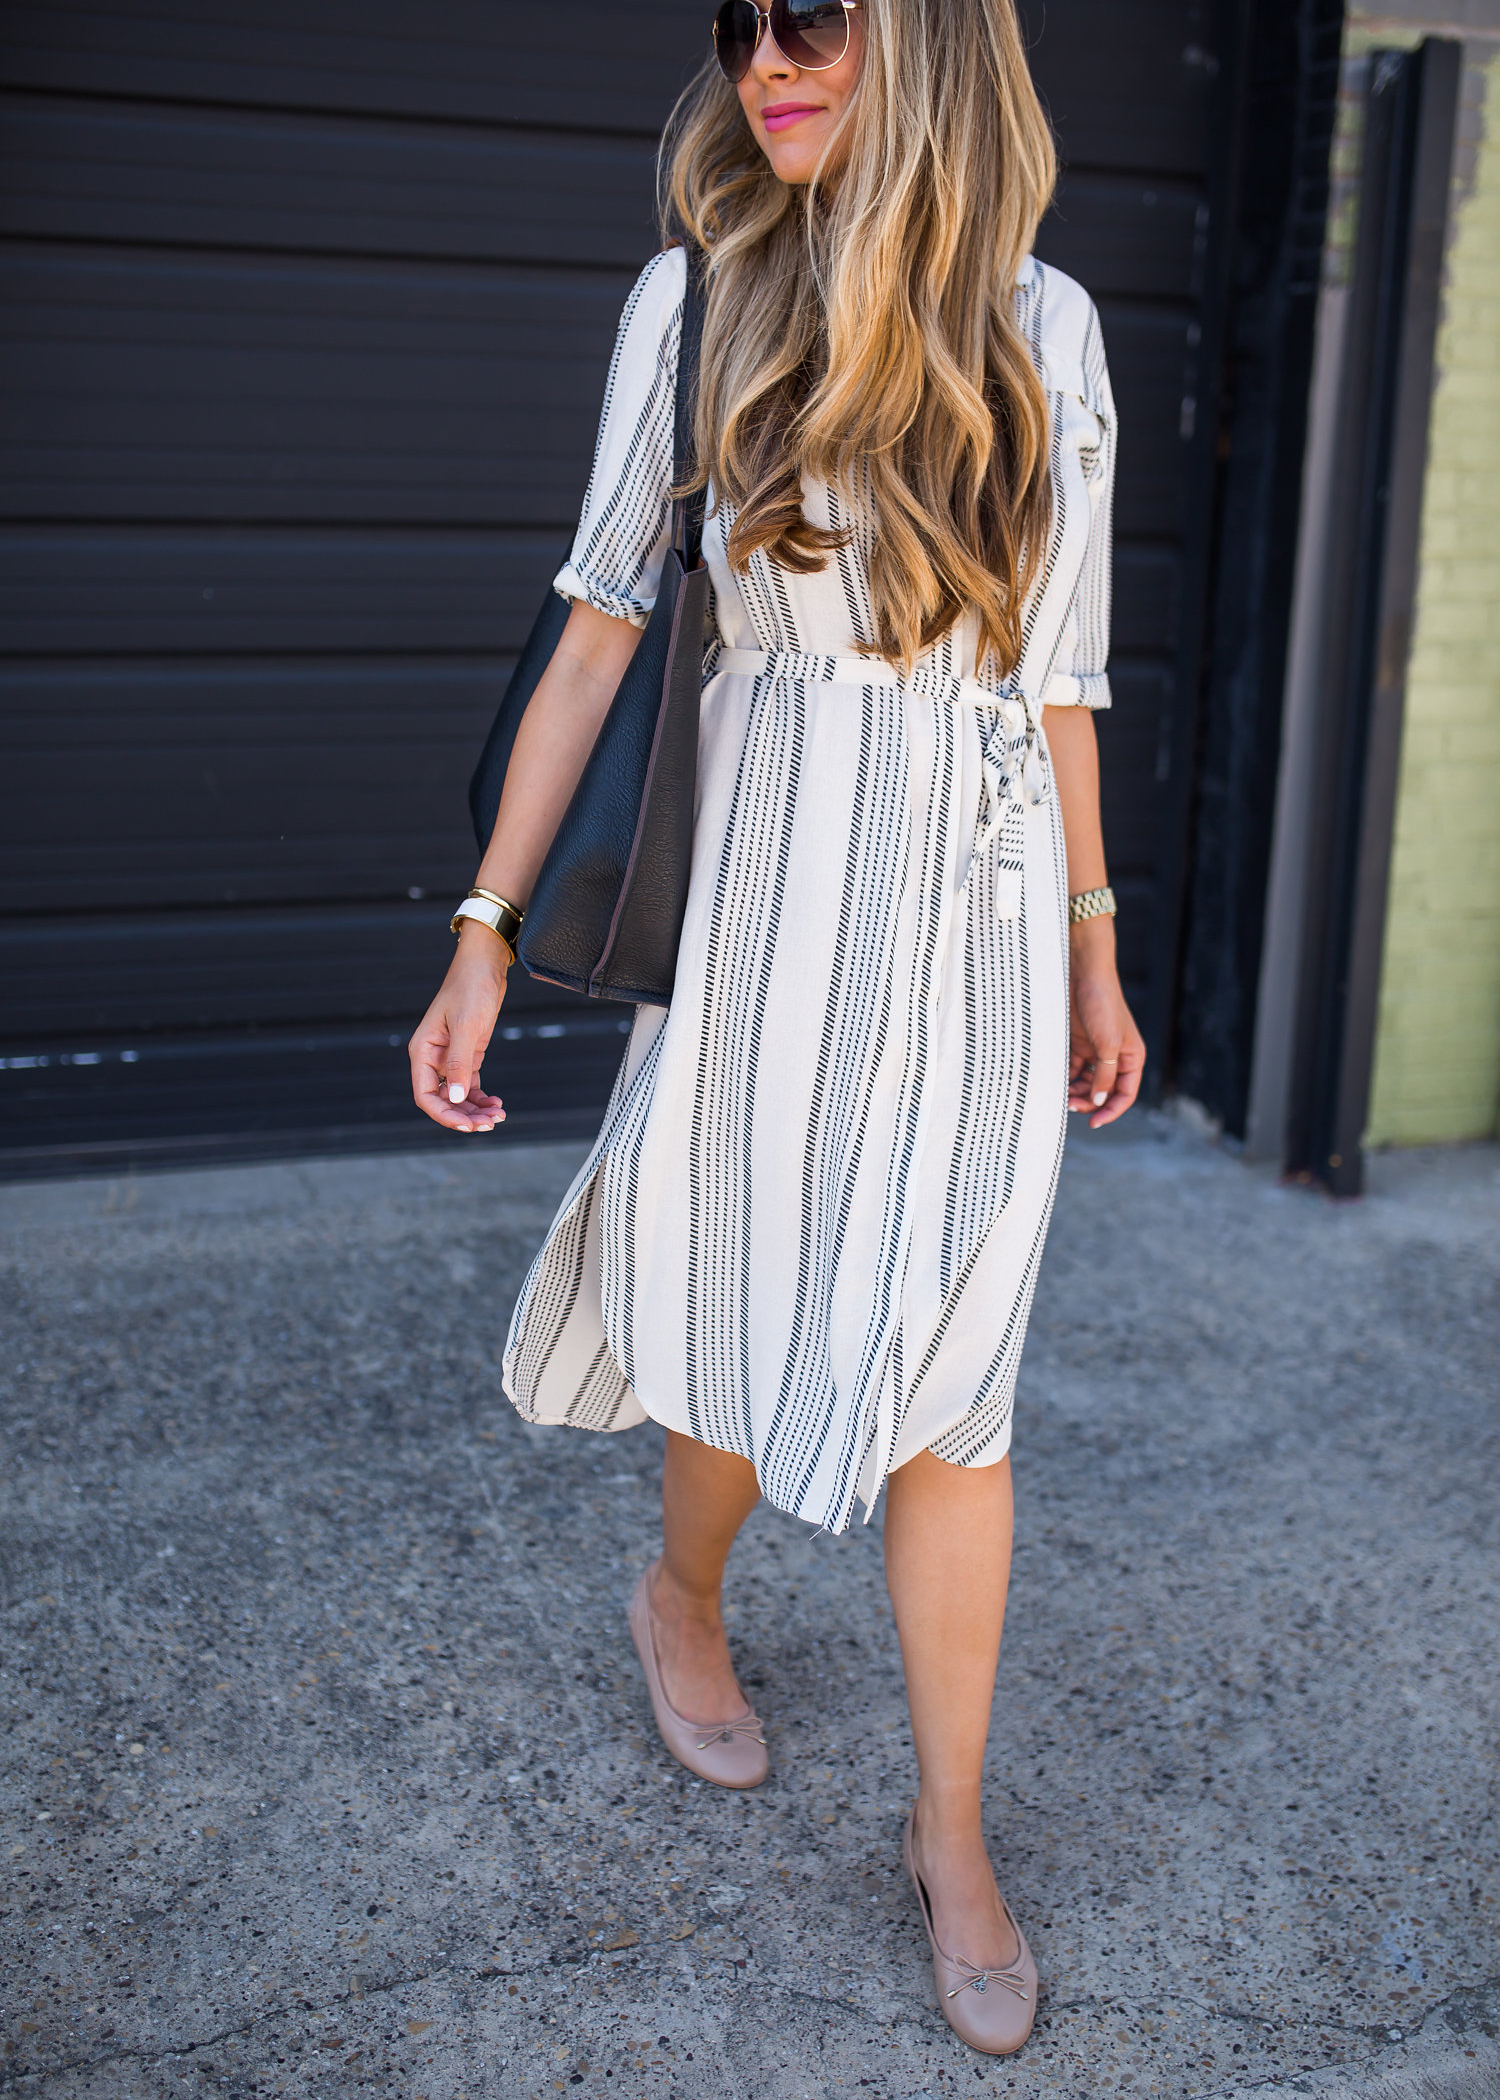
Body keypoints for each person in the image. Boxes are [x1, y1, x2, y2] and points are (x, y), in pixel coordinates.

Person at [410, 0, 1144, 2055]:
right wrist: (482, 930)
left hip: (984, 917)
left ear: (926, 41)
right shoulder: (706, 292)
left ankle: (954, 1830)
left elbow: (1062, 678)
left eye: (814, 21)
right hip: (763, 910)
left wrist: (1095, 943)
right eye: (741, 26)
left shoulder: (1044, 324)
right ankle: (689, 1596)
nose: (767, 60)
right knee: (737, 1301)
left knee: (956, 1377)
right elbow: (592, 639)